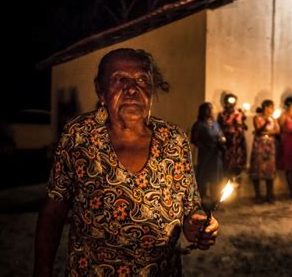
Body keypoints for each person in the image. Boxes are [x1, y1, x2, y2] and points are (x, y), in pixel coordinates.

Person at [34, 48, 218, 276]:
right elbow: (53, 210)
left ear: (151, 89)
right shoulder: (80, 136)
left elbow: (190, 206)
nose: (132, 89)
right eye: (119, 79)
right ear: (100, 91)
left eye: (142, 79)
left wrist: (197, 224)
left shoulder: (174, 139)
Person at [191, 102, 226, 201]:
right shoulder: (198, 124)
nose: (210, 111)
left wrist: (222, 139)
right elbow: (194, 140)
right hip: (206, 154)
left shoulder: (215, 123)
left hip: (216, 154)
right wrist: (204, 146)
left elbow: (221, 134)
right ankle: (201, 199)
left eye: (211, 109)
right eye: (208, 109)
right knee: (204, 176)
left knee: (215, 177)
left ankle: (215, 199)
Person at [250, 100, 280, 203]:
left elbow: (277, 130)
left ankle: (269, 194)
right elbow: (258, 130)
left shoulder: (273, 119)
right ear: (265, 107)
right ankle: (257, 194)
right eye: (270, 107)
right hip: (259, 145)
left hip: (270, 146)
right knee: (257, 168)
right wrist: (265, 124)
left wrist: (267, 132)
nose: (272, 109)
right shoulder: (257, 118)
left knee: (270, 169)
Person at [217, 93, 247, 184]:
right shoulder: (221, 114)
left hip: (238, 141)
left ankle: (237, 180)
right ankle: (227, 180)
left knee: (238, 161)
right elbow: (219, 126)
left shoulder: (239, 113)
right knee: (227, 160)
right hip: (227, 140)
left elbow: (243, 126)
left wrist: (243, 122)